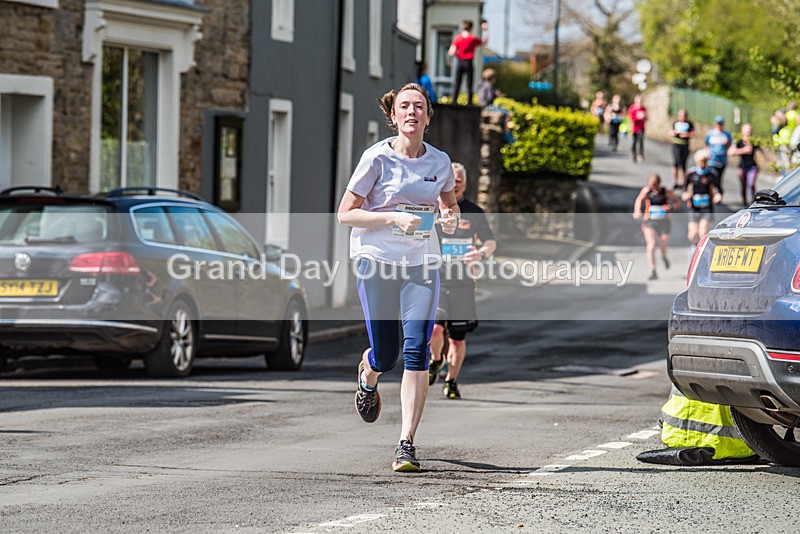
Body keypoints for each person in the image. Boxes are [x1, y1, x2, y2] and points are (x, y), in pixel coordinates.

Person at [337, 83, 460, 472]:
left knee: (417, 351)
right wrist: (392, 217)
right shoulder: (376, 159)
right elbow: (345, 213)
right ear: (393, 116)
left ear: (427, 116)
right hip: (376, 259)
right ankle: (368, 372)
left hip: (421, 263)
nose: (411, 112)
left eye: (418, 107)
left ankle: (405, 444)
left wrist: (450, 219)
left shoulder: (440, 162)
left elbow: (449, 206)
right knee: (386, 354)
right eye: (404, 107)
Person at [428, 162, 496, 399]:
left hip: (464, 284)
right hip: (436, 281)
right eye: (451, 180)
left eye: (458, 180)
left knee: (457, 340)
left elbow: (490, 241)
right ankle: (436, 360)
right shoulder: (431, 209)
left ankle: (452, 381)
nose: (455, 184)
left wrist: (481, 254)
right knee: (434, 330)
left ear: (465, 183)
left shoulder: (474, 212)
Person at [633, 173, 680, 281]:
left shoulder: (665, 191)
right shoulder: (647, 191)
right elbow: (639, 200)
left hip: (664, 222)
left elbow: (677, 202)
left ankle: (664, 257)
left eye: (654, 184)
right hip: (650, 222)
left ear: (659, 183)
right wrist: (637, 211)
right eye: (651, 184)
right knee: (651, 245)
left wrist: (670, 206)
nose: (653, 186)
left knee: (662, 246)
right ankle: (653, 270)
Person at [682, 151, 722, 254]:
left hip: (707, 207)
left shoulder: (712, 174)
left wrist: (718, 195)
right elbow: (685, 188)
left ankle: (701, 252)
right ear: (696, 162)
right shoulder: (691, 173)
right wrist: (686, 194)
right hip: (694, 206)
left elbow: (718, 188)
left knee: (703, 231)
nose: (702, 163)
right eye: (700, 161)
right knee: (692, 234)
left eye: (704, 161)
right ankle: (694, 245)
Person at [449, 19, 488, 105]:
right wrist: (485, 31)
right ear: (471, 28)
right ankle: (470, 102)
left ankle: (454, 101)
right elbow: (484, 42)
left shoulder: (458, 38)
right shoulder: (472, 38)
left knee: (457, 82)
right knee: (469, 83)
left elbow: (451, 52)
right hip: (469, 62)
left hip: (460, 61)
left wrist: (458, 55)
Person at [728, 123, 760, 207]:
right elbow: (730, 152)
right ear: (742, 132)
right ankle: (745, 203)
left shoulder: (754, 141)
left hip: (752, 166)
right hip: (742, 166)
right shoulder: (738, 141)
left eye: (749, 131)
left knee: (751, 184)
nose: (748, 133)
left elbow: (761, 150)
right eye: (746, 131)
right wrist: (743, 150)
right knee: (744, 186)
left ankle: (753, 202)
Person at [704, 115, 732, 193]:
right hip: (712, 160)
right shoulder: (710, 133)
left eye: (721, 123)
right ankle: (711, 194)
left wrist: (726, 144)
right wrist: (707, 153)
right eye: (718, 123)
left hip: (722, 160)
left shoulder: (727, 134)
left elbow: (730, 146)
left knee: (719, 178)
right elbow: (706, 144)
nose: (719, 125)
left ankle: (719, 193)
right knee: (712, 177)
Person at [668, 109, 695, 189]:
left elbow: (693, 134)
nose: (682, 117)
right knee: (676, 163)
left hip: (685, 145)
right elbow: (670, 132)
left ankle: (683, 182)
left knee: (683, 164)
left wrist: (686, 135)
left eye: (684, 116)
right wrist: (674, 133)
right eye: (681, 115)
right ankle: (675, 182)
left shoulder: (689, 124)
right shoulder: (675, 123)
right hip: (676, 145)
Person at [628, 95, 647, 162]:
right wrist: (637, 117)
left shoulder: (644, 108)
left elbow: (646, 118)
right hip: (634, 128)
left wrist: (644, 117)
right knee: (634, 142)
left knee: (641, 141)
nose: (640, 102)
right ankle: (634, 155)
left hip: (641, 128)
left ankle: (641, 154)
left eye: (641, 101)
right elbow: (630, 118)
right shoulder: (632, 108)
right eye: (639, 101)